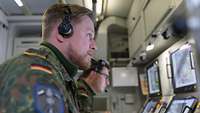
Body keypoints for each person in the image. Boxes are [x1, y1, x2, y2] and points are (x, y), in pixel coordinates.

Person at [0, 3, 96, 113]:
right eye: (89, 36)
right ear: (63, 31)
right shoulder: (40, 76)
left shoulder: (57, 75)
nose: (94, 46)